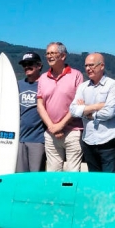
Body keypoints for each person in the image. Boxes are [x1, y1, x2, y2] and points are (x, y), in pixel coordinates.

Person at [70, 53, 115, 172]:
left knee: (109, 181)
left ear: (102, 66)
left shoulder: (113, 85)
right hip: (88, 140)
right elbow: (73, 110)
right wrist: (96, 106)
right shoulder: (83, 87)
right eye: (86, 66)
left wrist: (85, 111)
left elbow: (109, 112)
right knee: (93, 180)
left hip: (108, 140)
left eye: (92, 65)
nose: (88, 68)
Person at [37, 42, 84, 172]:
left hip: (73, 131)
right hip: (50, 133)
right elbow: (40, 105)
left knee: (73, 174)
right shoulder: (42, 78)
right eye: (47, 53)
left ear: (63, 56)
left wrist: (60, 126)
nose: (49, 56)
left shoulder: (76, 75)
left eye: (53, 53)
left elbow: (78, 104)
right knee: (53, 173)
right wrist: (52, 127)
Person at [16, 51, 46, 172]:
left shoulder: (45, 84)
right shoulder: (18, 85)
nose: (27, 66)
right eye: (24, 64)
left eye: (30, 64)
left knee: (36, 177)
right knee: (20, 177)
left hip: (38, 139)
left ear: (39, 65)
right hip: (19, 139)